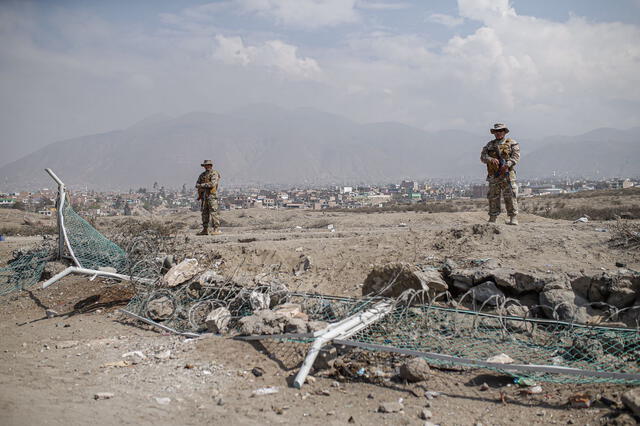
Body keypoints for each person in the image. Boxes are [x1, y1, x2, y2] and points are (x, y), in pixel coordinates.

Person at [480, 123, 520, 225]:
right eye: (496, 131)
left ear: (504, 132)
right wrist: (490, 159)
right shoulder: (490, 145)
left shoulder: (512, 143)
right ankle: (493, 218)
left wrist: (508, 164)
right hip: (494, 175)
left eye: (500, 131)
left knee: (510, 195)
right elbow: (482, 157)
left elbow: (516, 156)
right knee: (493, 197)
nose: (498, 133)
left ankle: (513, 217)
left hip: (507, 175)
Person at [195, 160, 221, 235]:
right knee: (204, 213)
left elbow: (212, 184)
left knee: (213, 212)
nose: (205, 167)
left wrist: (202, 185)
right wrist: (202, 185)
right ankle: (205, 229)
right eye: (205, 165)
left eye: (207, 165)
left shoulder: (214, 173)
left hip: (212, 196)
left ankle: (216, 229)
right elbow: (197, 184)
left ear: (210, 165)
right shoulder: (202, 175)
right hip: (204, 196)